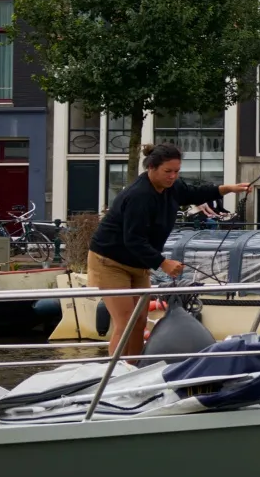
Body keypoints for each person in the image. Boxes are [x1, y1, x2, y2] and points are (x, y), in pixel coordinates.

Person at [88, 143, 250, 356]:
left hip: (138, 263)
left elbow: (194, 193)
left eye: (176, 171)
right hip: (110, 262)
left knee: (139, 321)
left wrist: (229, 188)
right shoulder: (139, 196)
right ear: (151, 168)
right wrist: (163, 263)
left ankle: (133, 368)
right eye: (168, 171)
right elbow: (133, 239)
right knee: (126, 321)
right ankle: (113, 374)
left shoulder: (172, 187)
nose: (173, 176)